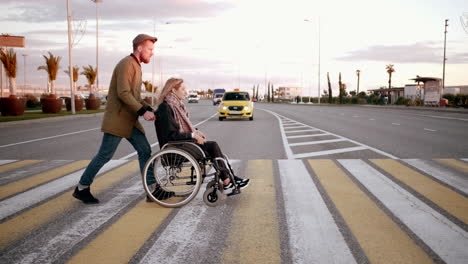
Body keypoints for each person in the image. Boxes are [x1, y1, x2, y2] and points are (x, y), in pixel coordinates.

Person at [73, 33, 162, 204]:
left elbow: (134, 95)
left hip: (129, 121)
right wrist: (143, 112)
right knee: (104, 155)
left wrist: (149, 108)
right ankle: (82, 188)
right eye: (150, 49)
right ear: (140, 48)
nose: (152, 53)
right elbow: (123, 93)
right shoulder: (127, 64)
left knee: (144, 150)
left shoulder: (136, 65)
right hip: (119, 120)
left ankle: (152, 190)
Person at [154, 78, 249, 193]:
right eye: (183, 89)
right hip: (174, 149)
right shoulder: (165, 108)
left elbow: (179, 129)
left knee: (213, 149)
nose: (186, 92)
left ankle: (229, 178)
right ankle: (227, 180)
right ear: (173, 90)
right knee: (212, 146)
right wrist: (193, 135)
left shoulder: (176, 105)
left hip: (181, 145)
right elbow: (171, 135)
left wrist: (196, 132)